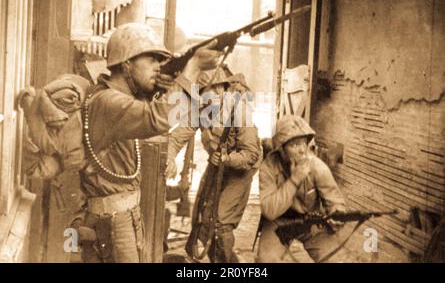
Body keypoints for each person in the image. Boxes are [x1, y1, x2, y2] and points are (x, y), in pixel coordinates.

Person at [72, 22, 222, 263]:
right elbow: (159, 118)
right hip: (112, 222)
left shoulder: (122, 99)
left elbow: (150, 112)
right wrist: (192, 68)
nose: (158, 67)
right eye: (151, 59)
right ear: (127, 64)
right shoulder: (108, 102)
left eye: (160, 61)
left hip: (123, 218)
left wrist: (162, 88)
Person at [165, 67, 262, 262]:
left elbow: (252, 154)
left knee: (221, 222)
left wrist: (228, 159)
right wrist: (169, 157)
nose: (200, 99)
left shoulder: (239, 111)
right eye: (198, 93)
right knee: (202, 218)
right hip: (217, 165)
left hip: (240, 171)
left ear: (220, 89)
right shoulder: (202, 110)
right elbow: (176, 138)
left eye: (204, 92)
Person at [256, 115, 347, 263]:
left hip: (310, 222)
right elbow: (269, 211)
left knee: (336, 260)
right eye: (294, 145)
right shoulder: (268, 168)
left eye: (304, 143)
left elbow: (336, 202)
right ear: (281, 149)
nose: (302, 150)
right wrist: (295, 179)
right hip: (279, 222)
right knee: (266, 260)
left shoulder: (317, 167)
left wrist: (337, 215)